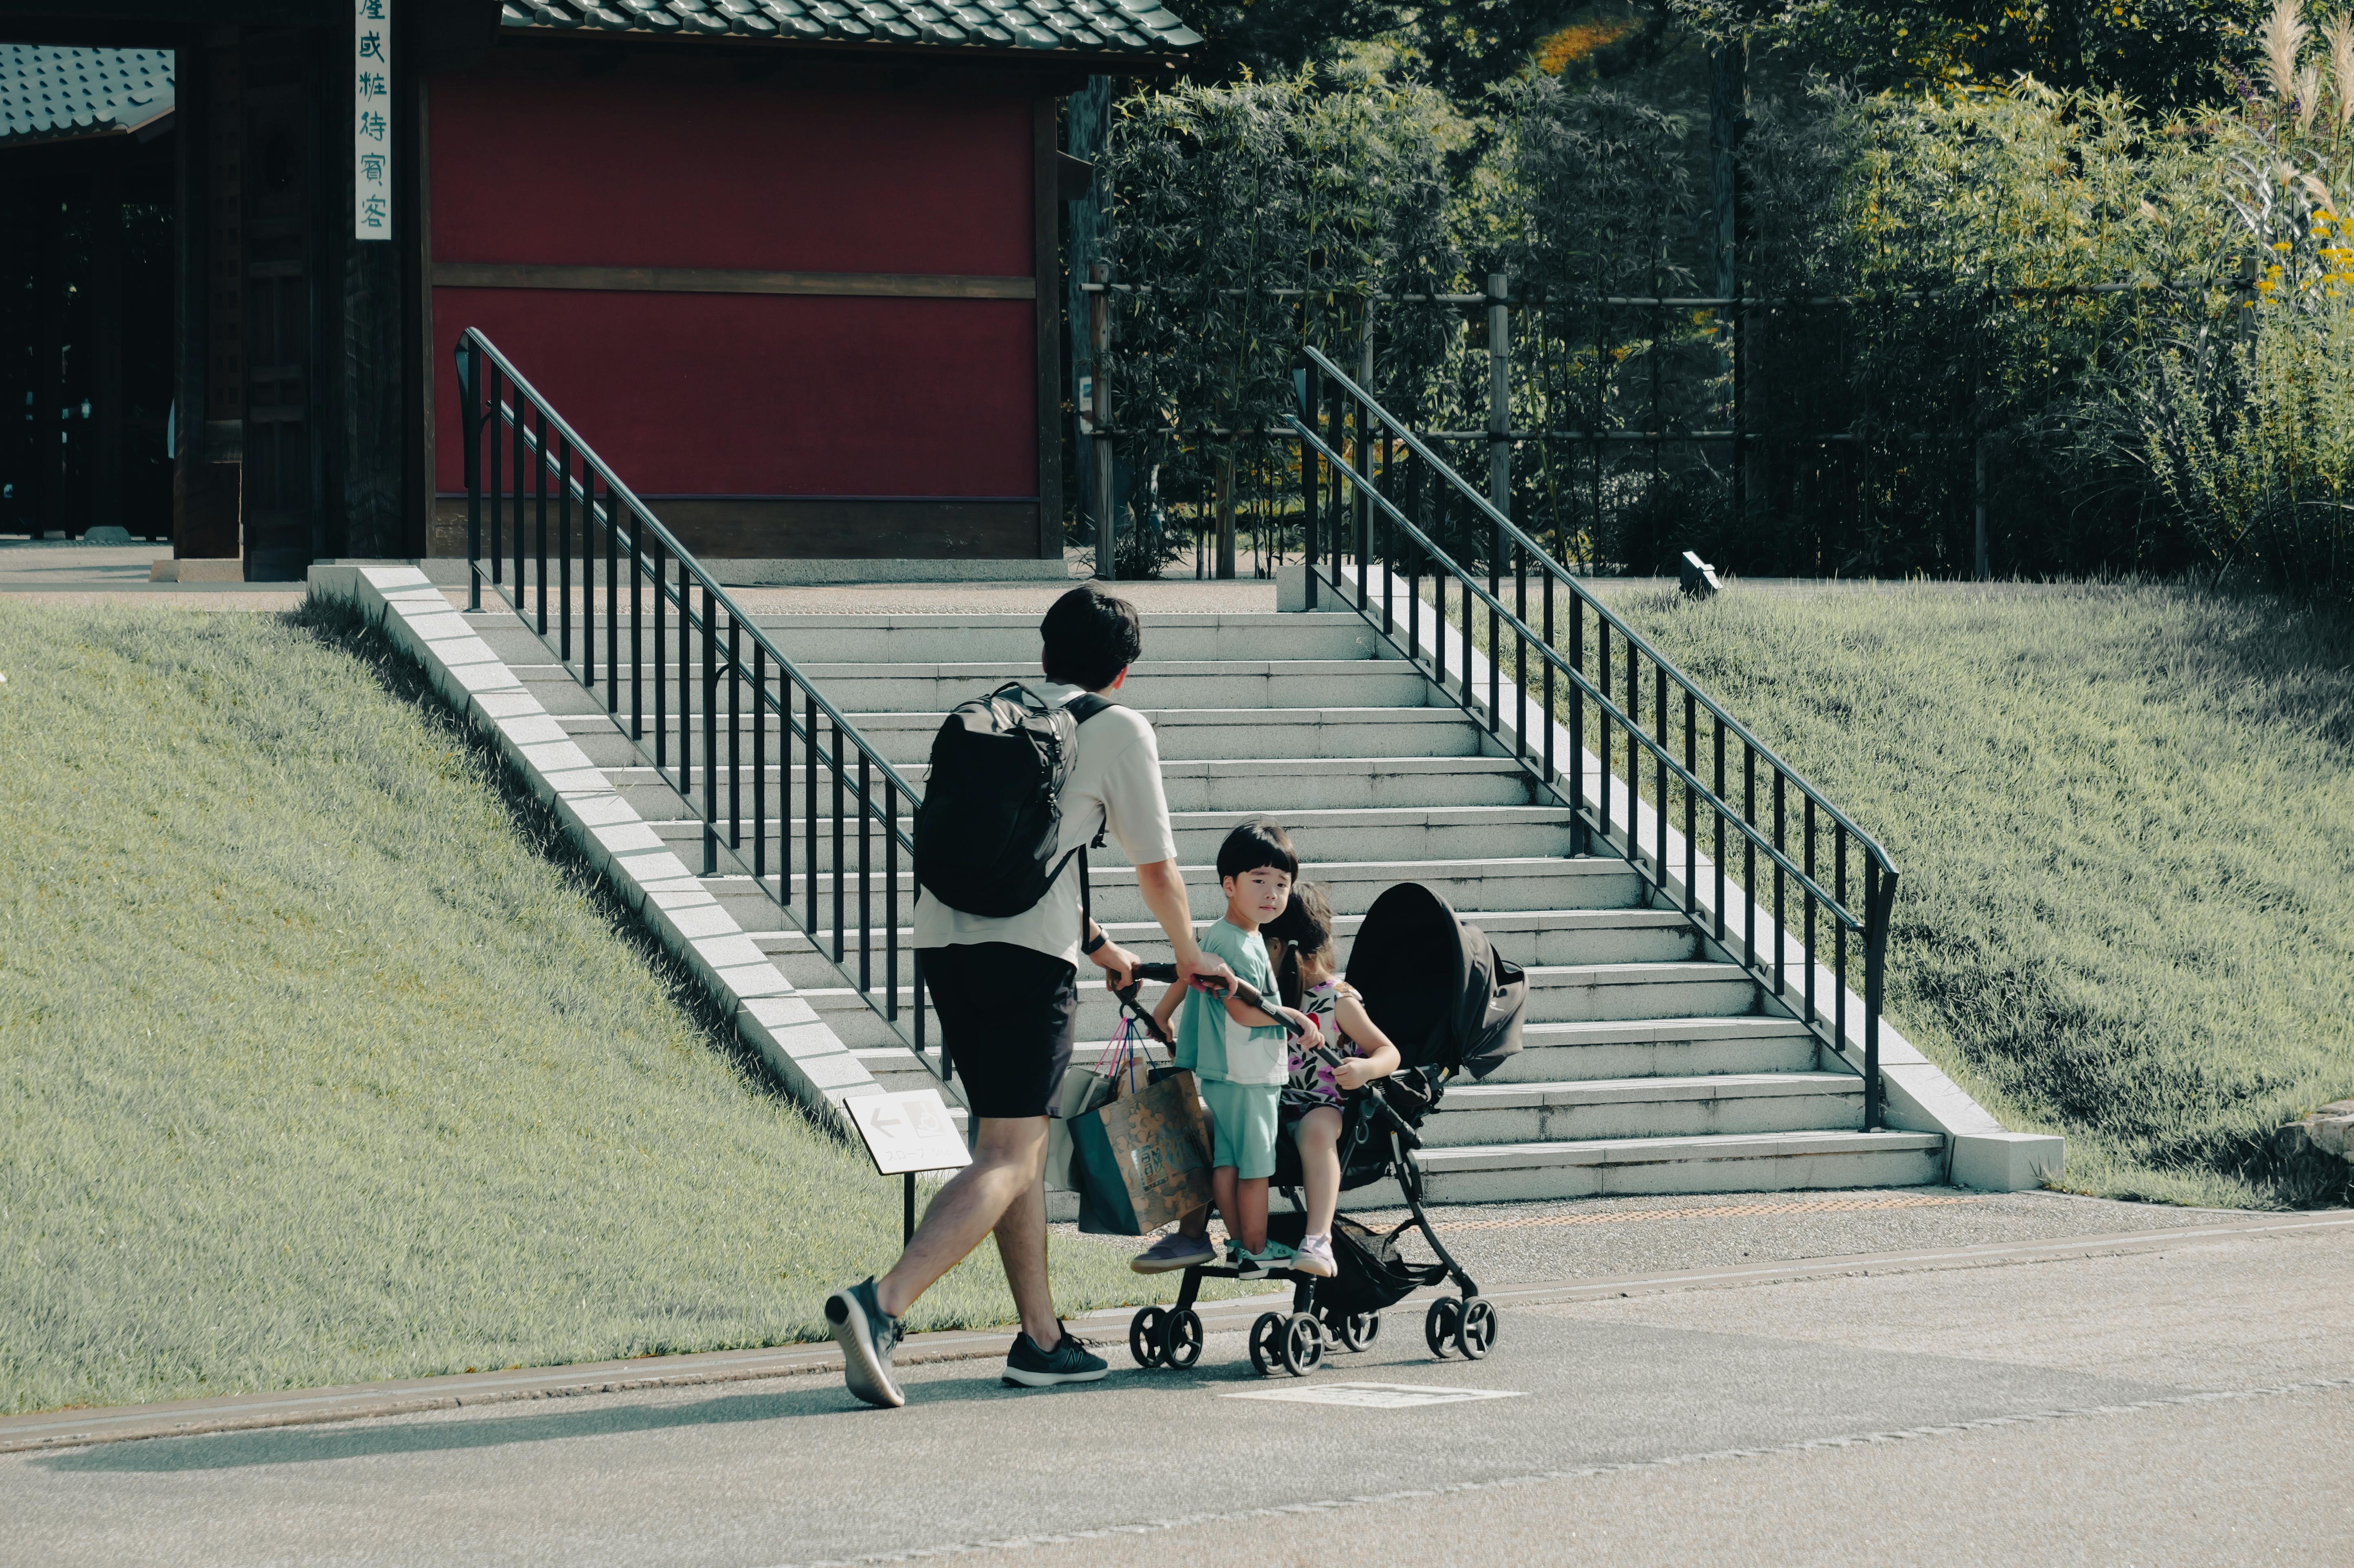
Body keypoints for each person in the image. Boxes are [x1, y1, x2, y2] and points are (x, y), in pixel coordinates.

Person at [824, 585, 1234, 1409]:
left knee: (1014, 1143)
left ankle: (1040, 1339)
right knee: (1008, 1154)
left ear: (1045, 653)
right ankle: (882, 1305)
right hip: (1025, 962)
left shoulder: (993, 716)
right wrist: (1189, 958)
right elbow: (1155, 866)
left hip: (945, 943)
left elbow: (1023, 854)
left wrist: (1101, 947)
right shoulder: (1118, 726)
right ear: (1122, 670)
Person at [1143, 820, 1320, 1280]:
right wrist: (1293, 1018)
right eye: (1258, 880)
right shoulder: (1241, 943)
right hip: (1250, 1070)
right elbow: (1244, 1012)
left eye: (1282, 884)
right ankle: (1255, 1246)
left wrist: (1162, 1015)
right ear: (1229, 884)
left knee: (1225, 1160)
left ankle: (1241, 1243)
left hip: (1222, 1071)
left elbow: (1188, 972)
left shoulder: (1224, 934)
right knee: (1256, 1166)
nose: (1272, 892)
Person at [1264, 883, 1400, 1277]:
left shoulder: (1338, 999)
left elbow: (1388, 1052)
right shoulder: (1273, 996)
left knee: (1315, 1132)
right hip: (1276, 1100)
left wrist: (1364, 1070)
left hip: (1326, 1104)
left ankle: (1318, 1238)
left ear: (1285, 950)